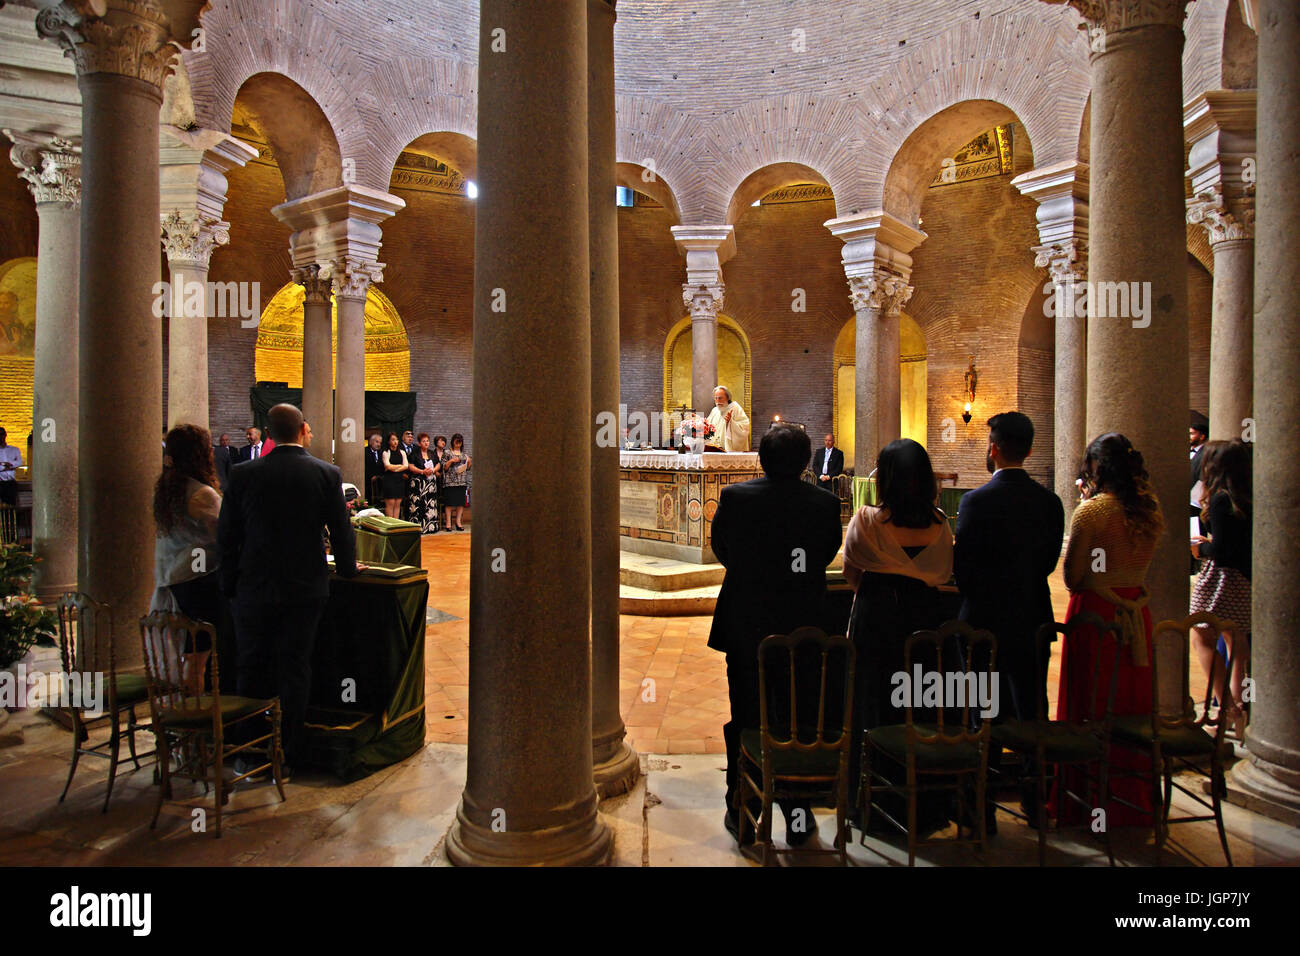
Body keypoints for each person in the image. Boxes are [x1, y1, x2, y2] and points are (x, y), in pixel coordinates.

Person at [708, 423, 842, 847]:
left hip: (747, 621)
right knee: (800, 716)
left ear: (761, 459)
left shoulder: (736, 498)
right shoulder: (823, 504)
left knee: (747, 713)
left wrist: (752, 576)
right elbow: (823, 554)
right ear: (806, 462)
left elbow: (722, 549)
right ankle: (799, 816)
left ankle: (742, 811)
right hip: (803, 624)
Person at [217, 403, 358, 772]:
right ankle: (289, 750)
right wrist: (347, 571)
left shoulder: (243, 474)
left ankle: (250, 748)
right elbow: (341, 532)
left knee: (251, 664)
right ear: (302, 430)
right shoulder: (326, 473)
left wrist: (228, 585)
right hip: (304, 586)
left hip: (253, 586)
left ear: (268, 433)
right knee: (295, 666)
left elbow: (227, 536)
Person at [842, 438, 954, 832]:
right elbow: (940, 575)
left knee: (874, 706)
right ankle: (923, 806)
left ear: (884, 478)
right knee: (918, 706)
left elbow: (851, 572)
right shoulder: (940, 525)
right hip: (924, 621)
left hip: (877, 621)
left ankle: (873, 805)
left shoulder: (868, 521)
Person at [1057, 432, 1163, 825]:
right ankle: (1132, 801)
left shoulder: (1093, 512)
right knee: (1130, 705)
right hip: (1136, 613)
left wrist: (1085, 504)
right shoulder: (1149, 509)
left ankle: (1084, 801)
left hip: (1096, 617)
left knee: (1091, 705)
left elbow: (1074, 576)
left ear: (1096, 468)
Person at [954, 412, 1064, 722]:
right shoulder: (1050, 502)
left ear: (993, 449)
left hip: (982, 617)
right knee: (1032, 706)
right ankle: (1033, 767)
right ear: (1029, 451)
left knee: (983, 710)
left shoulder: (975, 501)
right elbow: (1048, 562)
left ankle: (987, 768)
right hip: (1032, 614)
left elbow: (964, 568)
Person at [151, 425, 233, 688]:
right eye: (208, 448)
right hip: (199, 581)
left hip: (175, 576)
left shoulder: (169, 488)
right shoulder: (201, 493)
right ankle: (198, 718)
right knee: (200, 659)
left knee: (192, 654)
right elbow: (225, 535)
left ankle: (189, 714)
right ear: (200, 454)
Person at [1190, 440, 1252, 735]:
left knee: (1201, 635)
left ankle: (1227, 709)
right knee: (1236, 641)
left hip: (1222, 579)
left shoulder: (1220, 499)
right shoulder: (1249, 496)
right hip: (1245, 577)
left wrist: (1200, 551)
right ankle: (1239, 710)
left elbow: (1223, 550)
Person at [406, 432, 441, 534]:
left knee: (430, 504)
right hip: (418, 483)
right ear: (419, 443)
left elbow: (438, 464)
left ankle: (430, 526)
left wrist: (433, 470)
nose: (426, 443)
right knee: (419, 504)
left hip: (430, 483)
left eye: (427, 441)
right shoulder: (415, 453)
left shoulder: (432, 453)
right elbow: (410, 466)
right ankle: (418, 527)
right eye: (424, 441)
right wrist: (422, 471)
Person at [705, 385, 751, 452]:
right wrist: (698, 421)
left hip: (729, 451)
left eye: (720, 398)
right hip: (715, 449)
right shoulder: (715, 410)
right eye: (716, 398)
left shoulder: (735, 408)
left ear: (728, 398)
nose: (717, 401)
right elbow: (707, 426)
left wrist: (730, 423)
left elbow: (745, 427)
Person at [440, 433, 471, 531]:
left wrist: (469, 462)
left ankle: (458, 522)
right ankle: (448, 523)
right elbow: (444, 467)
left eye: (460, 442)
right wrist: (451, 461)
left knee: (460, 503)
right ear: (453, 441)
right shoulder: (447, 452)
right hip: (450, 482)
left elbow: (468, 468)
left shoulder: (464, 454)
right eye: (456, 441)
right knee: (449, 503)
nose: (458, 443)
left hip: (461, 482)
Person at [380, 432, 408, 519]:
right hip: (389, 479)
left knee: (397, 503)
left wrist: (395, 468)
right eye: (393, 440)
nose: (395, 442)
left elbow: (406, 465)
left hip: (399, 479)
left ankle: (396, 522)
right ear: (388, 441)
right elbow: (387, 466)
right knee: (390, 503)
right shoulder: (386, 452)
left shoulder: (402, 452)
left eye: (396, 439)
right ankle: (390, 524)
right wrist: (400, 466)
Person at [0, 427, 21, 506]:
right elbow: (14, 464)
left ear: (5, 435)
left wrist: (2, 464)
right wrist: (6, 466)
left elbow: (19, 462)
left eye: (2, 434)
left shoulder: (14, 449)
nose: (0, 437)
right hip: (0, 483)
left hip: (11, 483)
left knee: (11, 506)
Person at [364, 432, 384, 507]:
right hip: (367, 482)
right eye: (377, 442)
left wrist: (378, 476)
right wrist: (371, 476)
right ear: (371, 442)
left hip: (379, 483)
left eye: (380, 442)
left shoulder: (382, 452)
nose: (379, 444)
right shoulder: (364, 452)